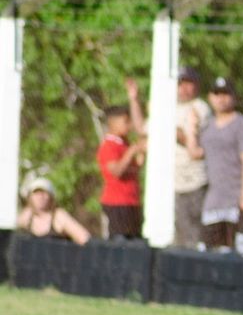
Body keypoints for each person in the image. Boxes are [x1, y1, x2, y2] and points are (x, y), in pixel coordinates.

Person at [199, 76, 243, 255]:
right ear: (210, 97)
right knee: (210, 250)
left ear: (234, 97)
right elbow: (196, 153)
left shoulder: (242, 125)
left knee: (241, 252)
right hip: (215, 199)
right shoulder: (207, 126)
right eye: (217, 94)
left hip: (237, 198)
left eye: (225, 94)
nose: (221, 99)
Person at [96, 99, 147, 240]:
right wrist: (131, 152)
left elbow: (136, 166)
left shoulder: (125, 143)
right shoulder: (109, 146)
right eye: (125, 122)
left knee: (135, 238)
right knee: (120, 239)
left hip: (132, 200)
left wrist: (141, 150)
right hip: (117, 202)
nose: (129, 126)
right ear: (113, 123)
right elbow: (116, 171)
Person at [173, 67, 211, 249]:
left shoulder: (199, 107)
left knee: (195, 236)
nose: (184, 88)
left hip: (195, 181)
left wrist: (166, 124)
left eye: (189, 83)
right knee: (178, 235)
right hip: (173, 182)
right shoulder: (170, 107)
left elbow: (189, 143)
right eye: (181, 83)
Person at [15, 175, 90, 245]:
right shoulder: (26, 216)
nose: (40, 197)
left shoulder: (59, 216)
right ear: (30, 197)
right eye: (36, 193)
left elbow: (84, 238)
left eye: (44, 193)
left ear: (51, 197)